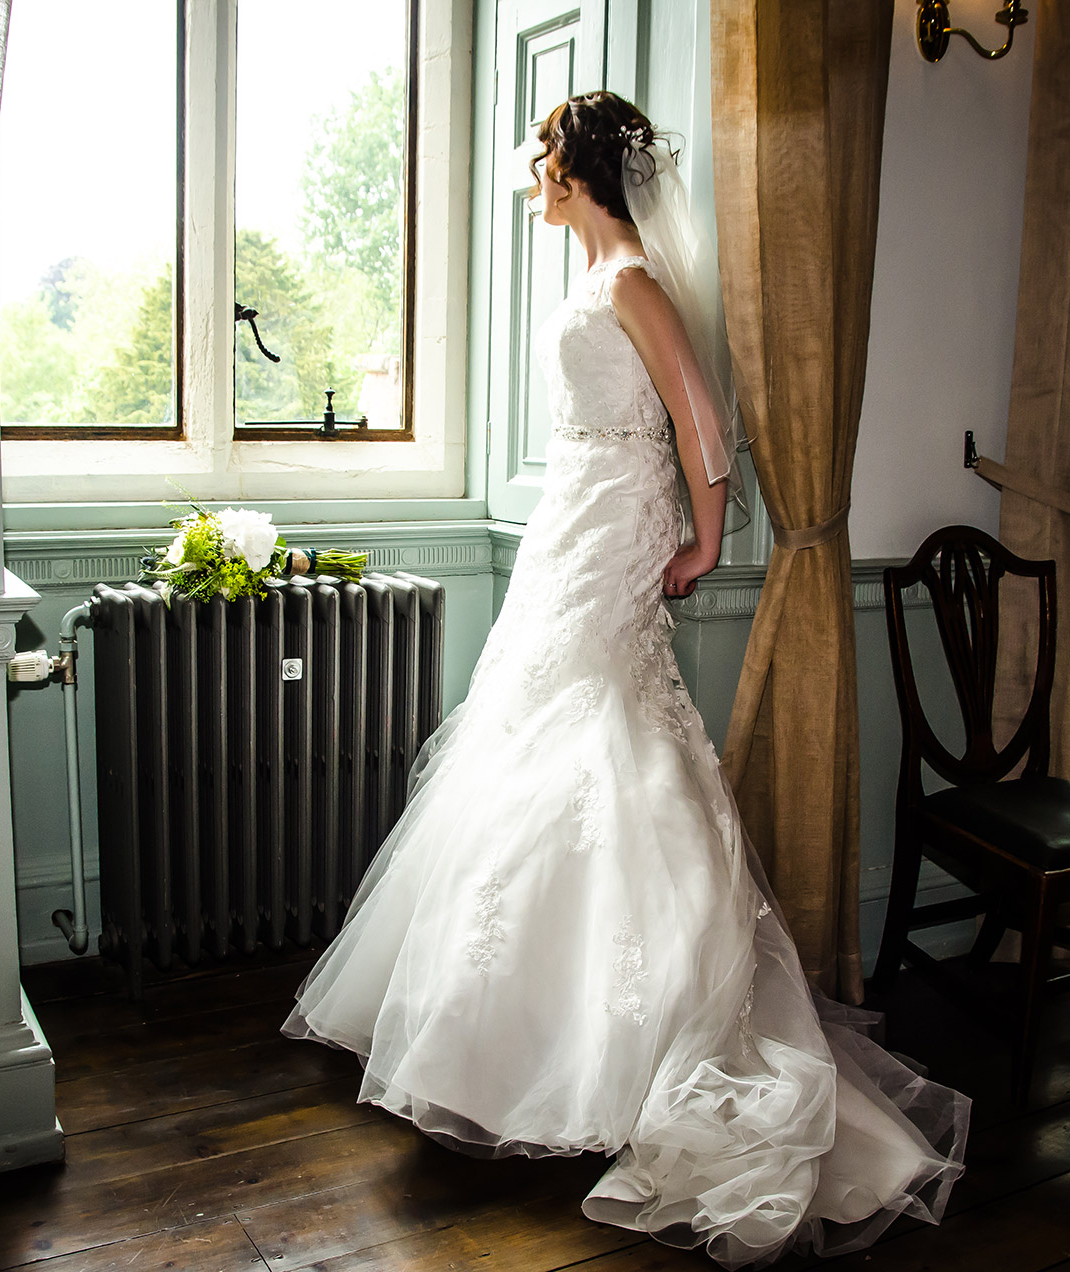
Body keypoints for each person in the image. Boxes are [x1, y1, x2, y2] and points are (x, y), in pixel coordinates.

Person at [282, 90, 968, 1269]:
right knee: (539, 737)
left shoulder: (635, 280)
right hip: (574, 518)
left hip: (620, 525)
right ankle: (517, 1030)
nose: (532, 175)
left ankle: (635, 1041)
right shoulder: (592, 279)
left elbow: (702, 425)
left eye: (544, 157)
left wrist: (701, 541)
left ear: (584, 169)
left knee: (604, 736)